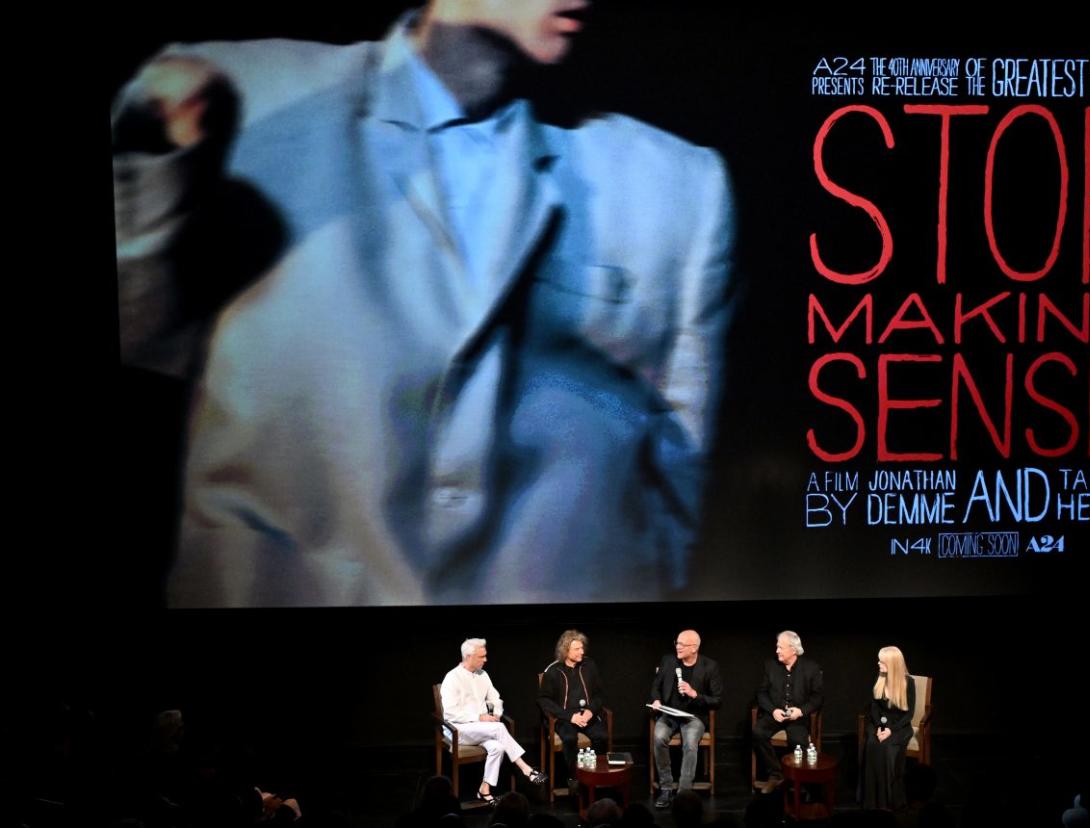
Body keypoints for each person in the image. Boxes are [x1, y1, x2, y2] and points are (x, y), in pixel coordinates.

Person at [112, 0, 736, 607]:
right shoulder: (247, 93)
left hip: (545, 653)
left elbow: (681, 458)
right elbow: (143, 343)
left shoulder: (676, 181)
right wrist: (157, 167)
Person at [439, 638, 547, 802]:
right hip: (458, 730)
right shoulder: (452, 678)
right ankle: (526, 769)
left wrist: (496, 713)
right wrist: (479, 717)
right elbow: (450, 714)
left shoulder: (483, 675)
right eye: (481, 657)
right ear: (468, 657)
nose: (486, 660)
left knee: (497, 747)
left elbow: (495, 698)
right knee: (499, 728)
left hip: (480, 728)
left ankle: (484, 789)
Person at [649, 630, 722, 808]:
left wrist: (694, 694)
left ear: (694, 648)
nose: (678, 647)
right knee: (658, 738)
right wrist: (656, 700)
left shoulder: (709, 666)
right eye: (677, 643)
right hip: (669, 714)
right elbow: (655, 687)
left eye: (682, 644)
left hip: (693, 717)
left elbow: (717, 700)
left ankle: (684, 792)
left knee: (690, 743)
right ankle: (666, 788)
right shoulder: (668, 660)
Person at [536, 629, 608, 792]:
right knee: (569, 738)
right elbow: (543, 699)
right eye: (577, 649)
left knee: (601, 736)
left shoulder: (589, 666)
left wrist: (590, 711)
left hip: (587, 714)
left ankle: (594, 774)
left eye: (582, 648)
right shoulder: (553, 671)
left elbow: (599, 694)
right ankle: (575, 777)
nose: (582, 652)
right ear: (565, 650)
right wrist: (570, 716)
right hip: (565, 717)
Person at [752, 630, 823, 794]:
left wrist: (800, 711)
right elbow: (761, 693)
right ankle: (775, 774)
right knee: (758, 732)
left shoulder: (811, 668)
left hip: (797, 717)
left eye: (780, 647)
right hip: (775, 715)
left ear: (793, 649)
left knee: (798, 741)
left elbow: (817, 698)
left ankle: (796, 779)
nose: (777, 650)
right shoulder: (770, 665)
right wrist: (773, 710)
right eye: (777, 647)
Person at [860, 645, 916, 810]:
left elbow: (909, 715)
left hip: (900, 726)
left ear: (892, 664)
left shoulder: (908, 682)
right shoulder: (880, 678)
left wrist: (891, 729)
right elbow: (874, 707)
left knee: (886, 749)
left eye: (882, 661)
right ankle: (871, 802)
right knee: (872, 745)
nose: (878, 663)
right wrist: (879, 726)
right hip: (879, 723)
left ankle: (888, 800)